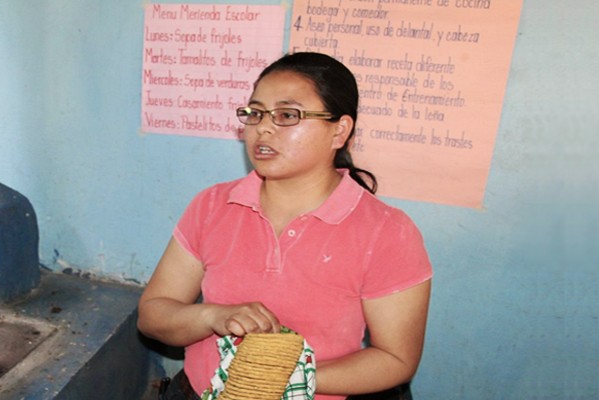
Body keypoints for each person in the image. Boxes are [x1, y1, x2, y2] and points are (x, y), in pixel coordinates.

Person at [138, 52, 433, 400]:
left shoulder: (386, 232)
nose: (263, 127)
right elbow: (153, 315)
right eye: (256, 112)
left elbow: (395, 359)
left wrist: (285, 378)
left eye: (287, 115)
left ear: (339, 131)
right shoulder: (214, 205)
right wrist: (212, 316)